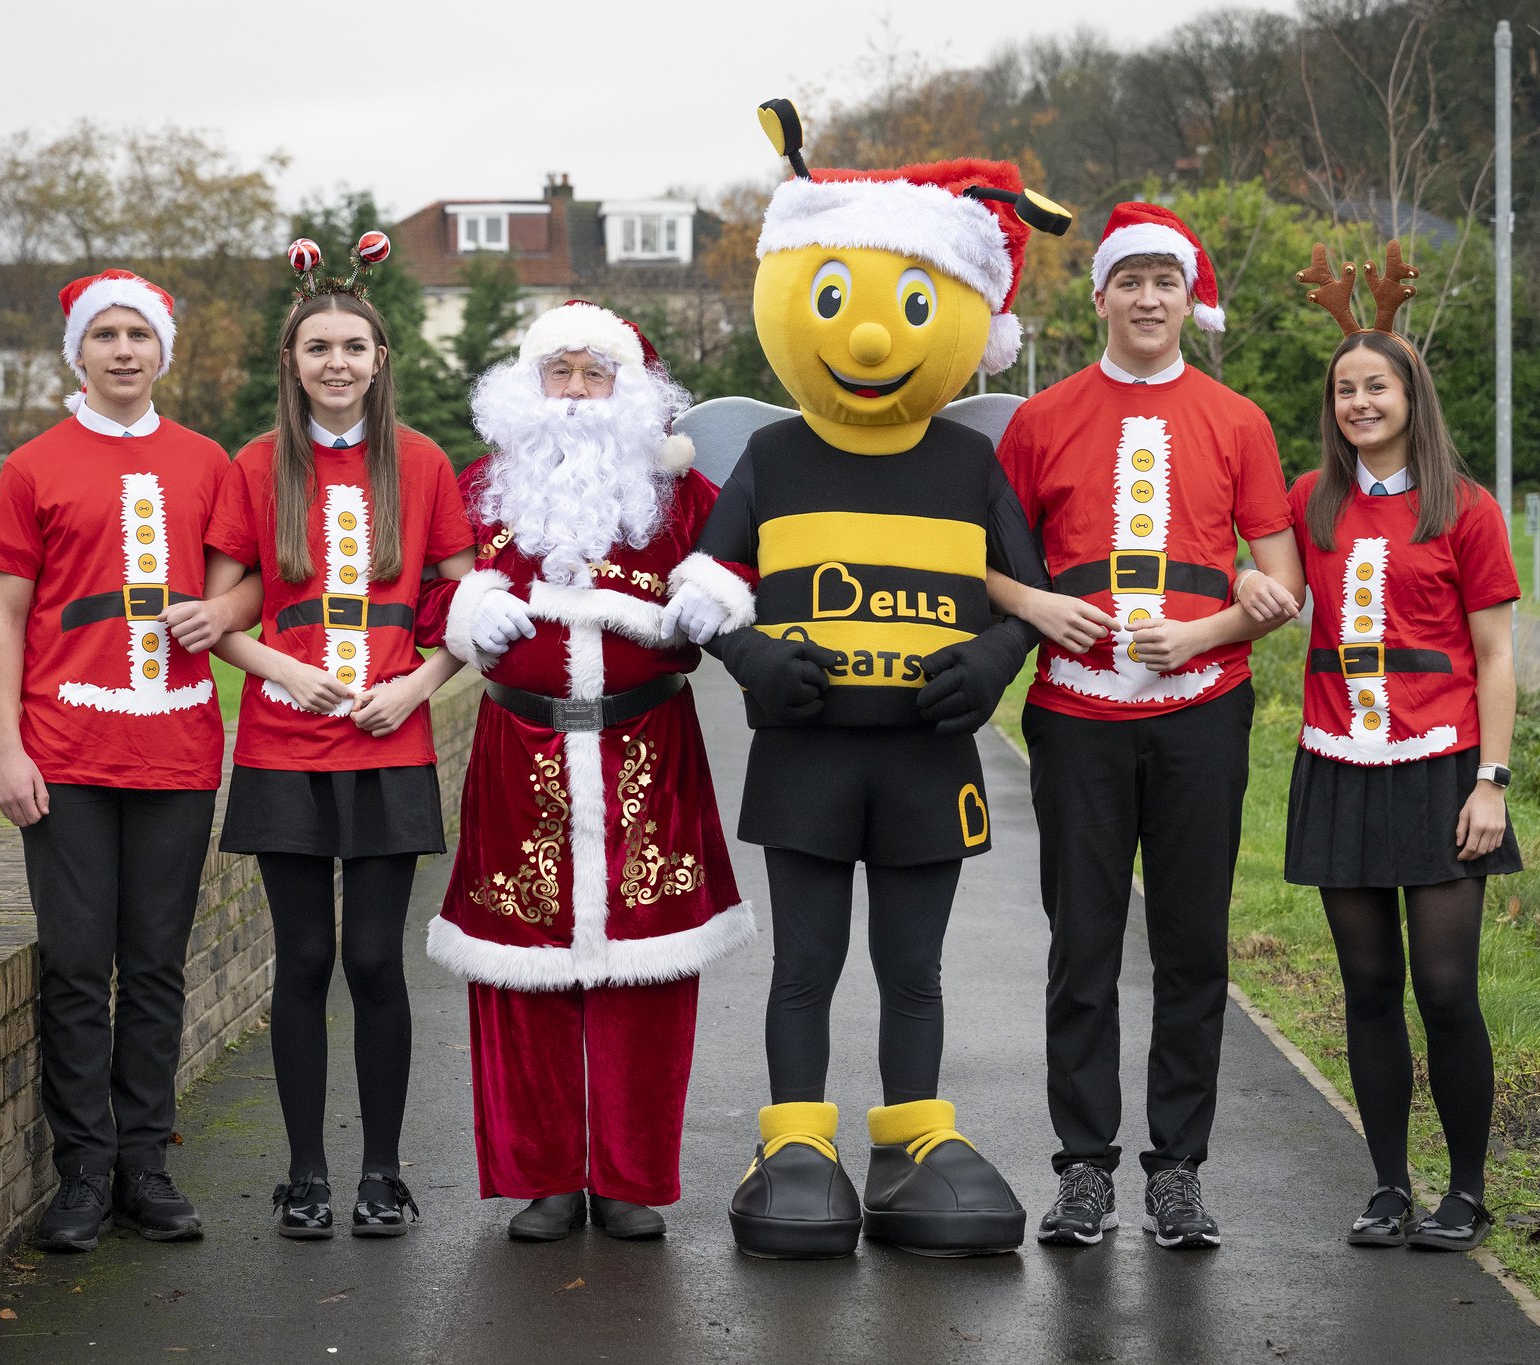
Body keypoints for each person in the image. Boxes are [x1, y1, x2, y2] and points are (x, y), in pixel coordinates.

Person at [672, 113, 1065, 1258]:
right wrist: (747, 653)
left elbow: (1026, 600)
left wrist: (988, 663)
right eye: (840, 299)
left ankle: (911, 1139)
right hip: (804, 749)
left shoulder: (969, 460)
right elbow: (702, 583)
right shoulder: (771, 456)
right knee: (803, 965)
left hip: (923, 756)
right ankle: (796, 1141)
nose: (873, 334)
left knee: (911, 967)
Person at [985, 201, 1305, 1250]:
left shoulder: (1238, 420)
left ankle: (1178, 1171)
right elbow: (981, 564)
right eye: (1131, 280)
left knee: (1190, 944)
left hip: (1201, 712)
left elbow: (1282, 581)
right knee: (1081, 944)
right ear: (1100, 298)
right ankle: (1083, 1168)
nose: (1148, 298)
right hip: (1073, 715)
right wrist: (1037, 606)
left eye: (1166, 281)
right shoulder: (1040, 421)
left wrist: (1206, 629)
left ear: (1186, 298)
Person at [422, 301, 754, 1243]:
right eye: (558, 371)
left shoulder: (680, 493)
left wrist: (716, 592)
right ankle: (546, 1178)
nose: (574, 391)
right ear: (528, 386)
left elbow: (745, 559)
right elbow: (428, 588)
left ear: (628, 389)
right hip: (518, 753)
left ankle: (629, 1177)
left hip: (649, 748)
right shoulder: (482, 485)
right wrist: (466, 609)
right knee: (521, 974)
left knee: (648, 974)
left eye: (594, 373)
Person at [169, 240, 475, 1239]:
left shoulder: (423, 463)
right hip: (282, 749)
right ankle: (303, 1175)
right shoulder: (256, 465)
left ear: (380, 358)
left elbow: (466, 610)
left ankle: (382, 1174)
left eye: (352, 346)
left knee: (376, 962)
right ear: (291, 362)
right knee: (301, 960)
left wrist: (416, 686)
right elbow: (218, 618)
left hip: (389, 747)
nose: (335, 362)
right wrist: (286, 670)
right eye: (317, 348)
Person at [1269, 242, 1519, 1251]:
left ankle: (1465, 1190)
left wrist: (1490, 781)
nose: (1359, 402)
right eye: (1345, 390)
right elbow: (1272, 586)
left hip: (1443, 769)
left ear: (1411, 397)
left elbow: (1495, 656)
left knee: (1445, 989)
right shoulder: (1307, 501)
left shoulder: (1465, 507)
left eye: (1376, 386)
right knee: (1367, 989)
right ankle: (1386, 1187)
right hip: (1338, 765)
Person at [0, 269, 232, 1252]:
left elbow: (243, 586)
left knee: (156, 966)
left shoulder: (206, 462)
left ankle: (145, 1168)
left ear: (162, 350)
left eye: (139, 335)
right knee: (77, 968)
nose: (123, 350)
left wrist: (225, 610)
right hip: (66, 755)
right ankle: (81, 1172)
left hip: (177, 750)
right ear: (78, 352)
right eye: (105, 335)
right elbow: (1, 619)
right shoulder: (33, 465)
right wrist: (7, 749)